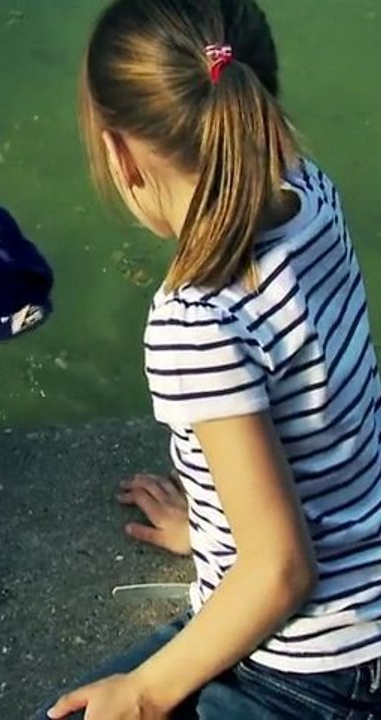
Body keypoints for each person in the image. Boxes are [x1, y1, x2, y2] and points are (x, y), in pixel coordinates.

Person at [36, 0, 381, 717]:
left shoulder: (198, 320)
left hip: (314, 673)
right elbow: (319, 424)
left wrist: (145, 692)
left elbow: (282, 570)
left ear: (119, 153)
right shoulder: (309, 191)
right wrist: (217, 531)